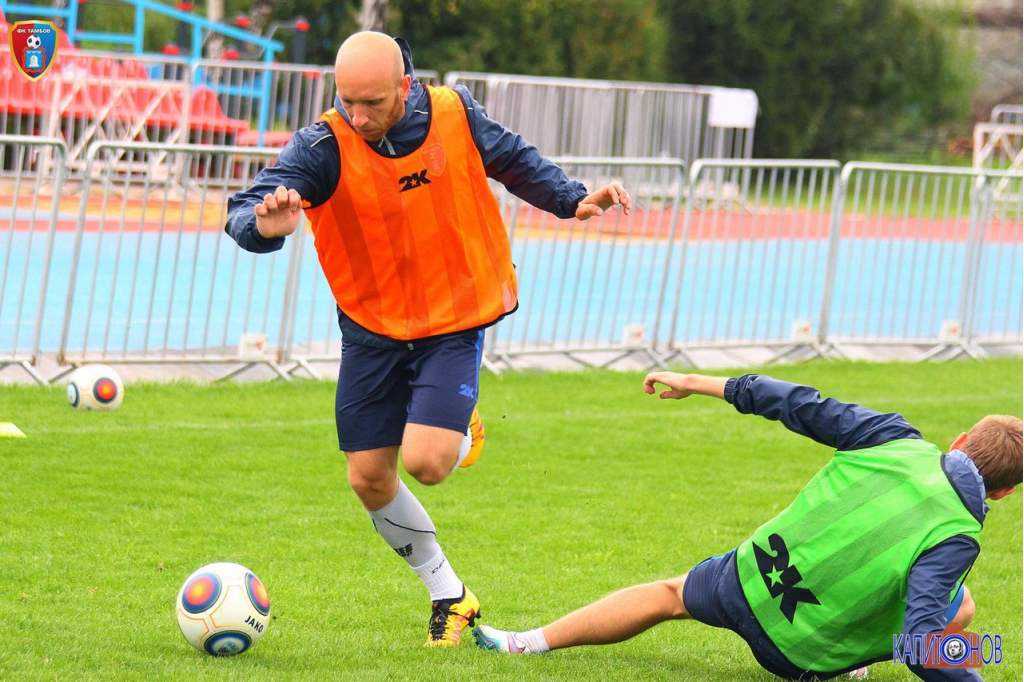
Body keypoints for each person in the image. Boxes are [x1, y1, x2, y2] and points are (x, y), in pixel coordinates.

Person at [224, 31, 631, 647]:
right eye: (347, 102)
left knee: (427, 462)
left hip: (452, 315)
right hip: (372, 327)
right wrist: (263, 225)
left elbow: (514, 159)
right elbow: (244, 207)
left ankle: (453, 424)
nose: (358, 118)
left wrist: (573, 199)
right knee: (367, 478)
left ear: (405, 88)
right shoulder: (322, 145)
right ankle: (450, 593)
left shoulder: (453, 112)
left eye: (373, 103)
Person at [474, 371, 1022, 681]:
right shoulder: (958, 536)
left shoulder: (894, 438)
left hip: (746, 580)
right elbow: (921, 641)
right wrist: (984, 659)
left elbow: (794, 402)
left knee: (668, 595)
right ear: (1003, 493)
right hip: (801, 657)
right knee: (961, 610)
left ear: (957, 441)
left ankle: (524, 643)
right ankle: (847, 665)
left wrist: (693, 381)